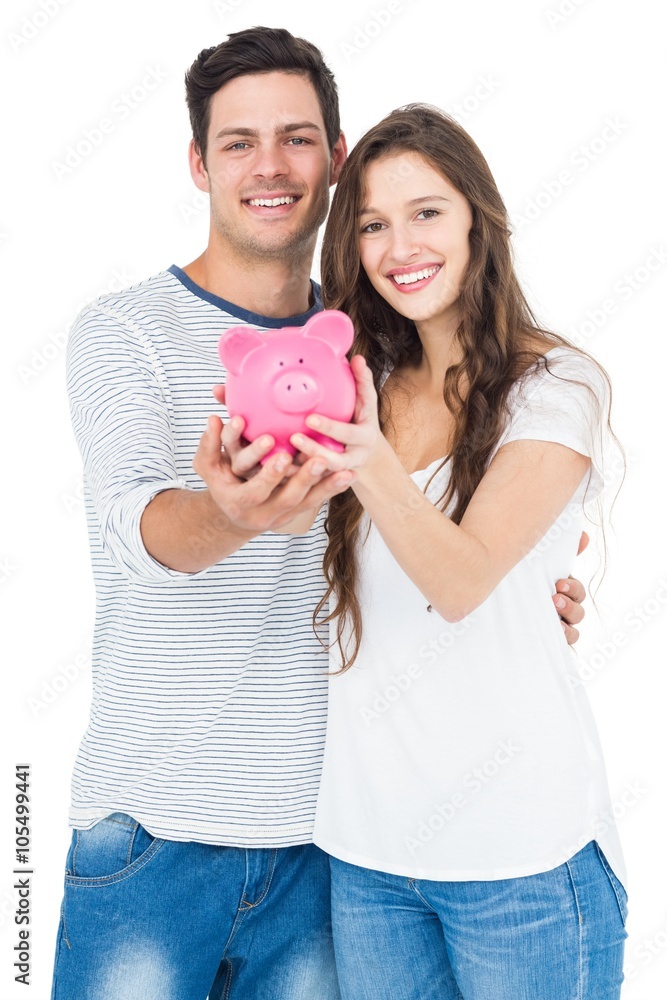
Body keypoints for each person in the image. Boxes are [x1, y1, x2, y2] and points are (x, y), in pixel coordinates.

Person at [50, 27, 588, 1000]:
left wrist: (531, 594)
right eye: (238, 141)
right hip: (154, 831)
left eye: (297, 137)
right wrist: (233, 513)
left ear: (336, 159)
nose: (270, 166)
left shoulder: (379, 355)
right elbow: (130, 529)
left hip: (333, 843)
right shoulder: (123, 330)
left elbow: (445, 539)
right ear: (196, 162)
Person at [285, 105, 628, 999]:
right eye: (370, 222)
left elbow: (465, 579)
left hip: (520, 861)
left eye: (426, 211)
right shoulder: (355, 385)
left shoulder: (553, 385)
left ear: (477, 216)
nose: (400, 244)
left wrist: (364, 456)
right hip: (366, 858)